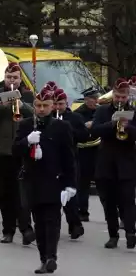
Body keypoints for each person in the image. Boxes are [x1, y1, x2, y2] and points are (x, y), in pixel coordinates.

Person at [13, 86, 76, 274]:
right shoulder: (26, 125)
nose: (41, 109)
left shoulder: (61, 127)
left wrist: (70, 185)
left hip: (53, 181)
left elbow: (69, 158)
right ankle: (43, 258)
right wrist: (27, 142)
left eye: (45, 105)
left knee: (52, 221)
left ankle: (51, 257)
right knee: (39, 222)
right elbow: (15, 151)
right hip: (32, 181)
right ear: (34, 106)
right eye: (38, 105)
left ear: (52, 106)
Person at [0, 62, 36, 244]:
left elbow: (37, 114)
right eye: (9, 77)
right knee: (5, 194)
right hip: (0, 151)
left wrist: (21, 104)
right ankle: (8, 230)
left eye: (15, 78)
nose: (12, 80)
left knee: (22, 194)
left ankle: (26, 228)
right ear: (4, 78)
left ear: (20, 80)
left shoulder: (28, 94)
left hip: (22, 150)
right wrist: (2, 104)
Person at [90, 78, 136, 250]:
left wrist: (128, 127)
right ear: (113, 94)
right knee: (108, 202)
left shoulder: (133, 112)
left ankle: (131, 232)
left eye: (123, 97)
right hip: (106, 164)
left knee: (128, 201)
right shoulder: (102, 111)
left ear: (127, 97)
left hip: (127, 165)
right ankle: (113, 235)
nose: (120, 100)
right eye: (117, 96)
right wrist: (113, 124)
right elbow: (94, 130)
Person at [52, 88, 86, 240]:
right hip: (52, 161)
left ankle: (75, 225)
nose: (58, 107)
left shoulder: (75, 118)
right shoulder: (48, 117)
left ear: (66, 103)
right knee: (54, 195)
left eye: (61, 104)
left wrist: (67, 129)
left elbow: (84, 135)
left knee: (71, 194)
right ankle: (54, 226)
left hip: (70, 159)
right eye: (55, 104)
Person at [74, 87, 100, 222]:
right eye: (94, 99)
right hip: (84, 151)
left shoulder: (100, 111)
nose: (97, 101)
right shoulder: (78, 113)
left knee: (103, 182)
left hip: (99, 150)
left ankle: (115, 212)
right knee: (83, 183)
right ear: (86, 100)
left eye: (97, 98)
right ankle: (82, 211)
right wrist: (86, 126)